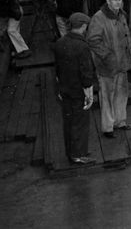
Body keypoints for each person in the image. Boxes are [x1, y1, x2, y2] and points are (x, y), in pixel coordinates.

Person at [87, 0, 131, 137]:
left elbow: (127, 38)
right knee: (107, 96)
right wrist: (107, 56)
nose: (118, 2)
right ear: (107, 1)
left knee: (122, 93)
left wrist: (130, 58)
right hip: (107, 65)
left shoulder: (122, 15)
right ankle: (108, 127)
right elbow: (93, 40)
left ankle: (120, 121)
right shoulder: (98, 18)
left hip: (123, 63)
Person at [54, 12, 96, 164]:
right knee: (80, 122)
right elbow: (86, 73)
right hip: (78, 91)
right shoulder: (82, 46)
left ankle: (72, 152)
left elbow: (57, 69)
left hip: (65, 89)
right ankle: (78, 155)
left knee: (68, 122)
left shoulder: (60, 42)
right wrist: (89, 94)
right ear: (84, 26)